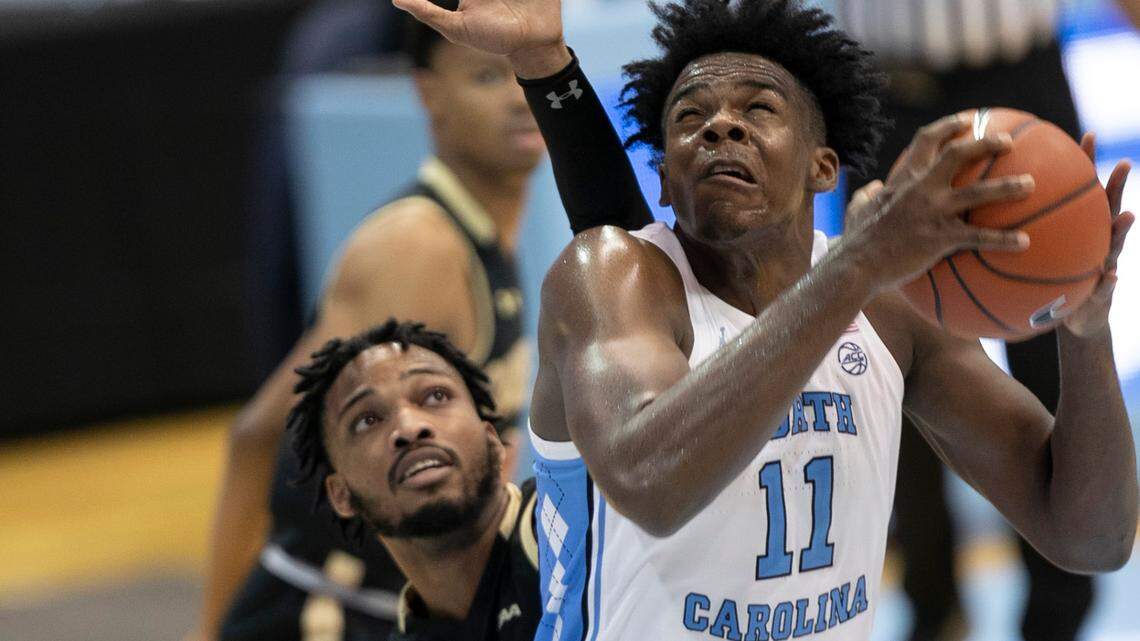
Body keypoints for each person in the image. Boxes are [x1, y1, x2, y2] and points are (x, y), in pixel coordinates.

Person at [392, 0, 1138, 640]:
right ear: (662, 174)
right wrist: (856, 267)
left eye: (758, 110)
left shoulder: (890, 307)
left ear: (823, 167)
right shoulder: (612, 278)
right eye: (690, 118)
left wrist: (1085, 330)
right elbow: (651, 480)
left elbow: (1092, 535)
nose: (721, 127)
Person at [194, 8, 546, 640]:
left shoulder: (487, 234)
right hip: (324, 611)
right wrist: (210, 630)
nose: (520, 99)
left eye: (528, 71)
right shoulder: (418, 247)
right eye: (488, 78)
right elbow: (257, 436)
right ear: (427, 93)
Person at [821, 3, 1140, 639]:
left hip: (1019, 80)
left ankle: (1058, 618)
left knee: (1061, 341)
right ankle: (933, 609)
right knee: (887, 366)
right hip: (884, 92)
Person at [286, 319, 542, 641]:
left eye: (435, 396)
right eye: (368, 420)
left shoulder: (575, 527)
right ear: (342, 495)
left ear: (492, 439)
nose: (409, 427)